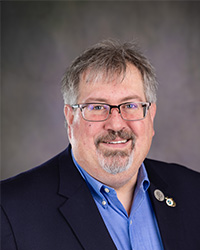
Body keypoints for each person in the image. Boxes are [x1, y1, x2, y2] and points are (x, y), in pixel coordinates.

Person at [1, 39, 200, 250]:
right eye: (97, 107)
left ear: (151, 116)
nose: (115, 124)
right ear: (70, 119)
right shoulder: (9, 211)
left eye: (131, 105)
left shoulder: (193, 192)